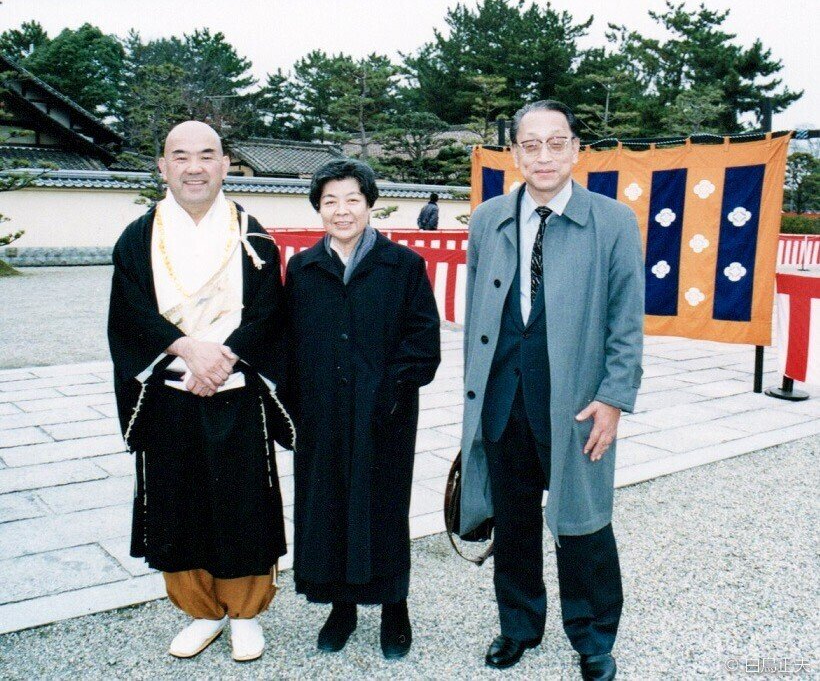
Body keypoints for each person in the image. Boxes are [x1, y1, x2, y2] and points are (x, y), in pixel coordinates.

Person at [459, 100, 644, 679]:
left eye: (555, 143)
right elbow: (476, 312)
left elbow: (626, 320)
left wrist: (614, 398)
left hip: (577, 400)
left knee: (584, 521)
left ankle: (592, 637)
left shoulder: (611, 220)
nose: (543, 156)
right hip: (503, 395)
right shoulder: (489, 217)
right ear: (514, 151)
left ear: (575, 149)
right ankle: (518, 625)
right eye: (530, 144)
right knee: (514, 520)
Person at [108, 121, 294, 663]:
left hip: (234, 389)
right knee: (176, 501)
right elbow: (131, 312)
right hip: (170, 390)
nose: (195, 167)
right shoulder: (137, 236)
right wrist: (188, 350)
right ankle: (201, 610)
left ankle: (246, 612)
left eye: (207, 155)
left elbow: (269, 311)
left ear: (225, 164)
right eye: (181, 156)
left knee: (243, 501)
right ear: (162, 166)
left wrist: (225, 356)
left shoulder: (251, 231)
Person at [284, 159, 440, 660]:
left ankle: (395, 605)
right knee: (327, 503)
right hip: (322, 412)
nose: (341, 210)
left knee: (384, 506)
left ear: (370, 204)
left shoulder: (403, 266)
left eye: (352, 199)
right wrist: (294, 405)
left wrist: (390, 389)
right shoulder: (304, 269)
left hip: (385, 414)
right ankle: (341, 606)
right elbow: (288, 343)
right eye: (330, 201)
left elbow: (423, 344)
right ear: (318, 209)